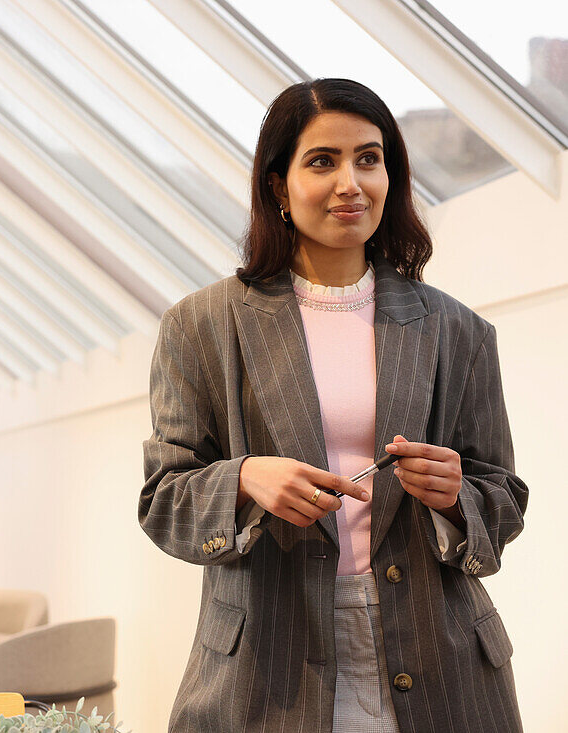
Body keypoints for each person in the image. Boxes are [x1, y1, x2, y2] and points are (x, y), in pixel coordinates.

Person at [139, 78, 527, 732]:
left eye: (369, 159)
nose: (351, 181)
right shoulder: (201, 326)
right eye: (323, 161)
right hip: (269, 666)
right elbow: (162, 500)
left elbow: (505, 497)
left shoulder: (459, 331)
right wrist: (242, 479)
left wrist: (457, 491)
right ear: (276, 184)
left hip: (442, 662)